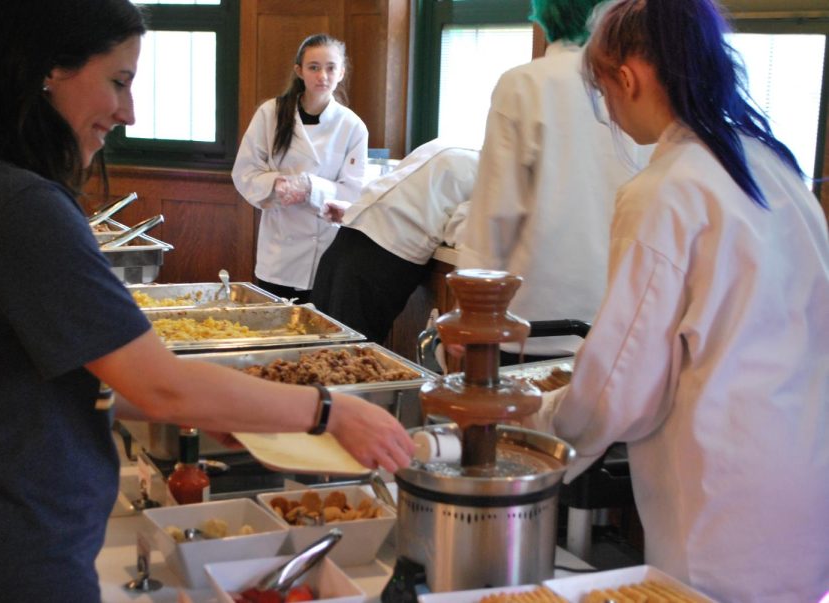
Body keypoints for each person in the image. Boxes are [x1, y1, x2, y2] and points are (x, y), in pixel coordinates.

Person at [0, 2, 412, 601]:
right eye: (119, 81)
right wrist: (328, 411)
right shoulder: (17, 204)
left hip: (6, 541)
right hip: (10, 558)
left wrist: (231, 409)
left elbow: (81, 381)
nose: (128, 111)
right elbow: (159, 383)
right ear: (46, 70)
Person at [535, 0, 829, 600]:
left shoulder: (666, 190)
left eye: (603, 93)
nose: (611, 115)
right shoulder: (773, 164)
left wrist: (538, 430)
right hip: (805, 465)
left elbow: (623, 386)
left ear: (628, 78)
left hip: (723, 489)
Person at [457, 0, 650, 363]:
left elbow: (494, 216)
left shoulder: (525, 84)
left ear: (544, 13)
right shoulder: (644, 85)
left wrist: (470, 310)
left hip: (532, 323)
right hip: (620, 327)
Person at [232, 34, 368, 304]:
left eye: (330, 68)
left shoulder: (352, 126)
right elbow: (244, 172)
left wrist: (310, 188)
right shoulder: (270, 113)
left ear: (341, 72)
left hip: (326, 248)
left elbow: (354, 193)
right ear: (299, 71)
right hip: (280, 249)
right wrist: (277, 185)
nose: (322, 76)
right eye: (314, 67)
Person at [311, 139, 479, 344]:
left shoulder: (451, 145)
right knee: (352, 356)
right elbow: (466, 231)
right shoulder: (493, 170)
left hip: (348, 238)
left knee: (319, 342)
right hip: (384, 256)